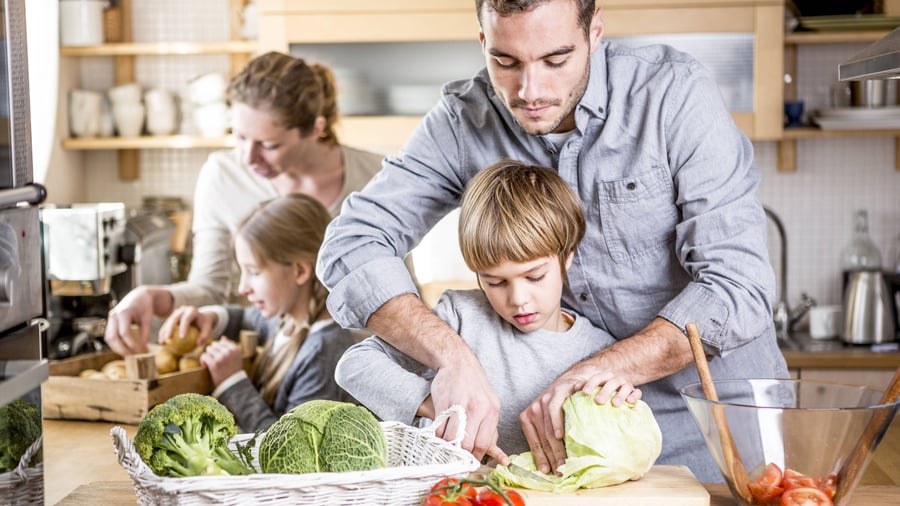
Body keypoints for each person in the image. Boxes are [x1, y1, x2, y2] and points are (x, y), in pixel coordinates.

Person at [316, 0, 787, 483]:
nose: (530, 90)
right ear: (482, 41)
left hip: (717, 415)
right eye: (505, 61)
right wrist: (450, 358)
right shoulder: (463, 121)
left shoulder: (672, 95)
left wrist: (591, 373)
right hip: (568, 441)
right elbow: (351, 245)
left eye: (556, 60)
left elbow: (738, 287)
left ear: (595, 31)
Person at [335, 160, 641, 456]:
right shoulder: (460, 317)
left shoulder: (599, 353)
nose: (518, 298)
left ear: (568, 256)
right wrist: (437, 402)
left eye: (535, 276)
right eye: (495, 282)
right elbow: (355, 365)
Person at [104, 51, 384, 356]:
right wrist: (151, 296)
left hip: (363, 364)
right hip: (268, 365)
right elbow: (210, 288)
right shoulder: (223, 176)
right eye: (239, 136)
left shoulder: (373, 176)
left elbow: (396, 290)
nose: (248, 158)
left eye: (269, 144)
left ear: (315, 129)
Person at [162, 194, 358, 432]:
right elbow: (245, 318)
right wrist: (209, 318)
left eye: (253, 272)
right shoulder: (285, 318)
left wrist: (232, 382)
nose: (243, 287)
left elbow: (291, 450)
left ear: (299, 271)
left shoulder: (324, 353)